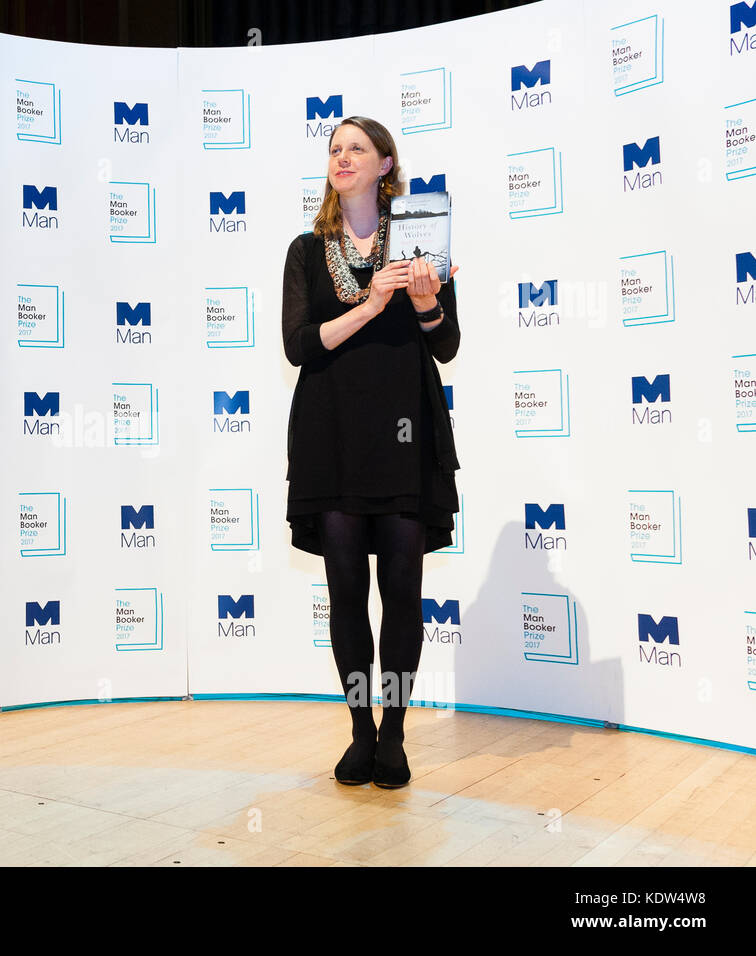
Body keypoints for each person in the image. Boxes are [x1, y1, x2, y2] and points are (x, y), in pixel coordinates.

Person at [280, 116, 461, 789]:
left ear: (386, 164)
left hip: (405, 436)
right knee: (347, 594)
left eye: (357, 148)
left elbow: (445, 344)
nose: (342, 157)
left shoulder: (420, 242)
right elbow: (298, 345)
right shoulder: (306, 250)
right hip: (331, 439)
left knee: (403, 596)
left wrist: (424, 302)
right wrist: (370, 299)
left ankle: (394, 734)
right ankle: (359, 731)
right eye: (334, 149)